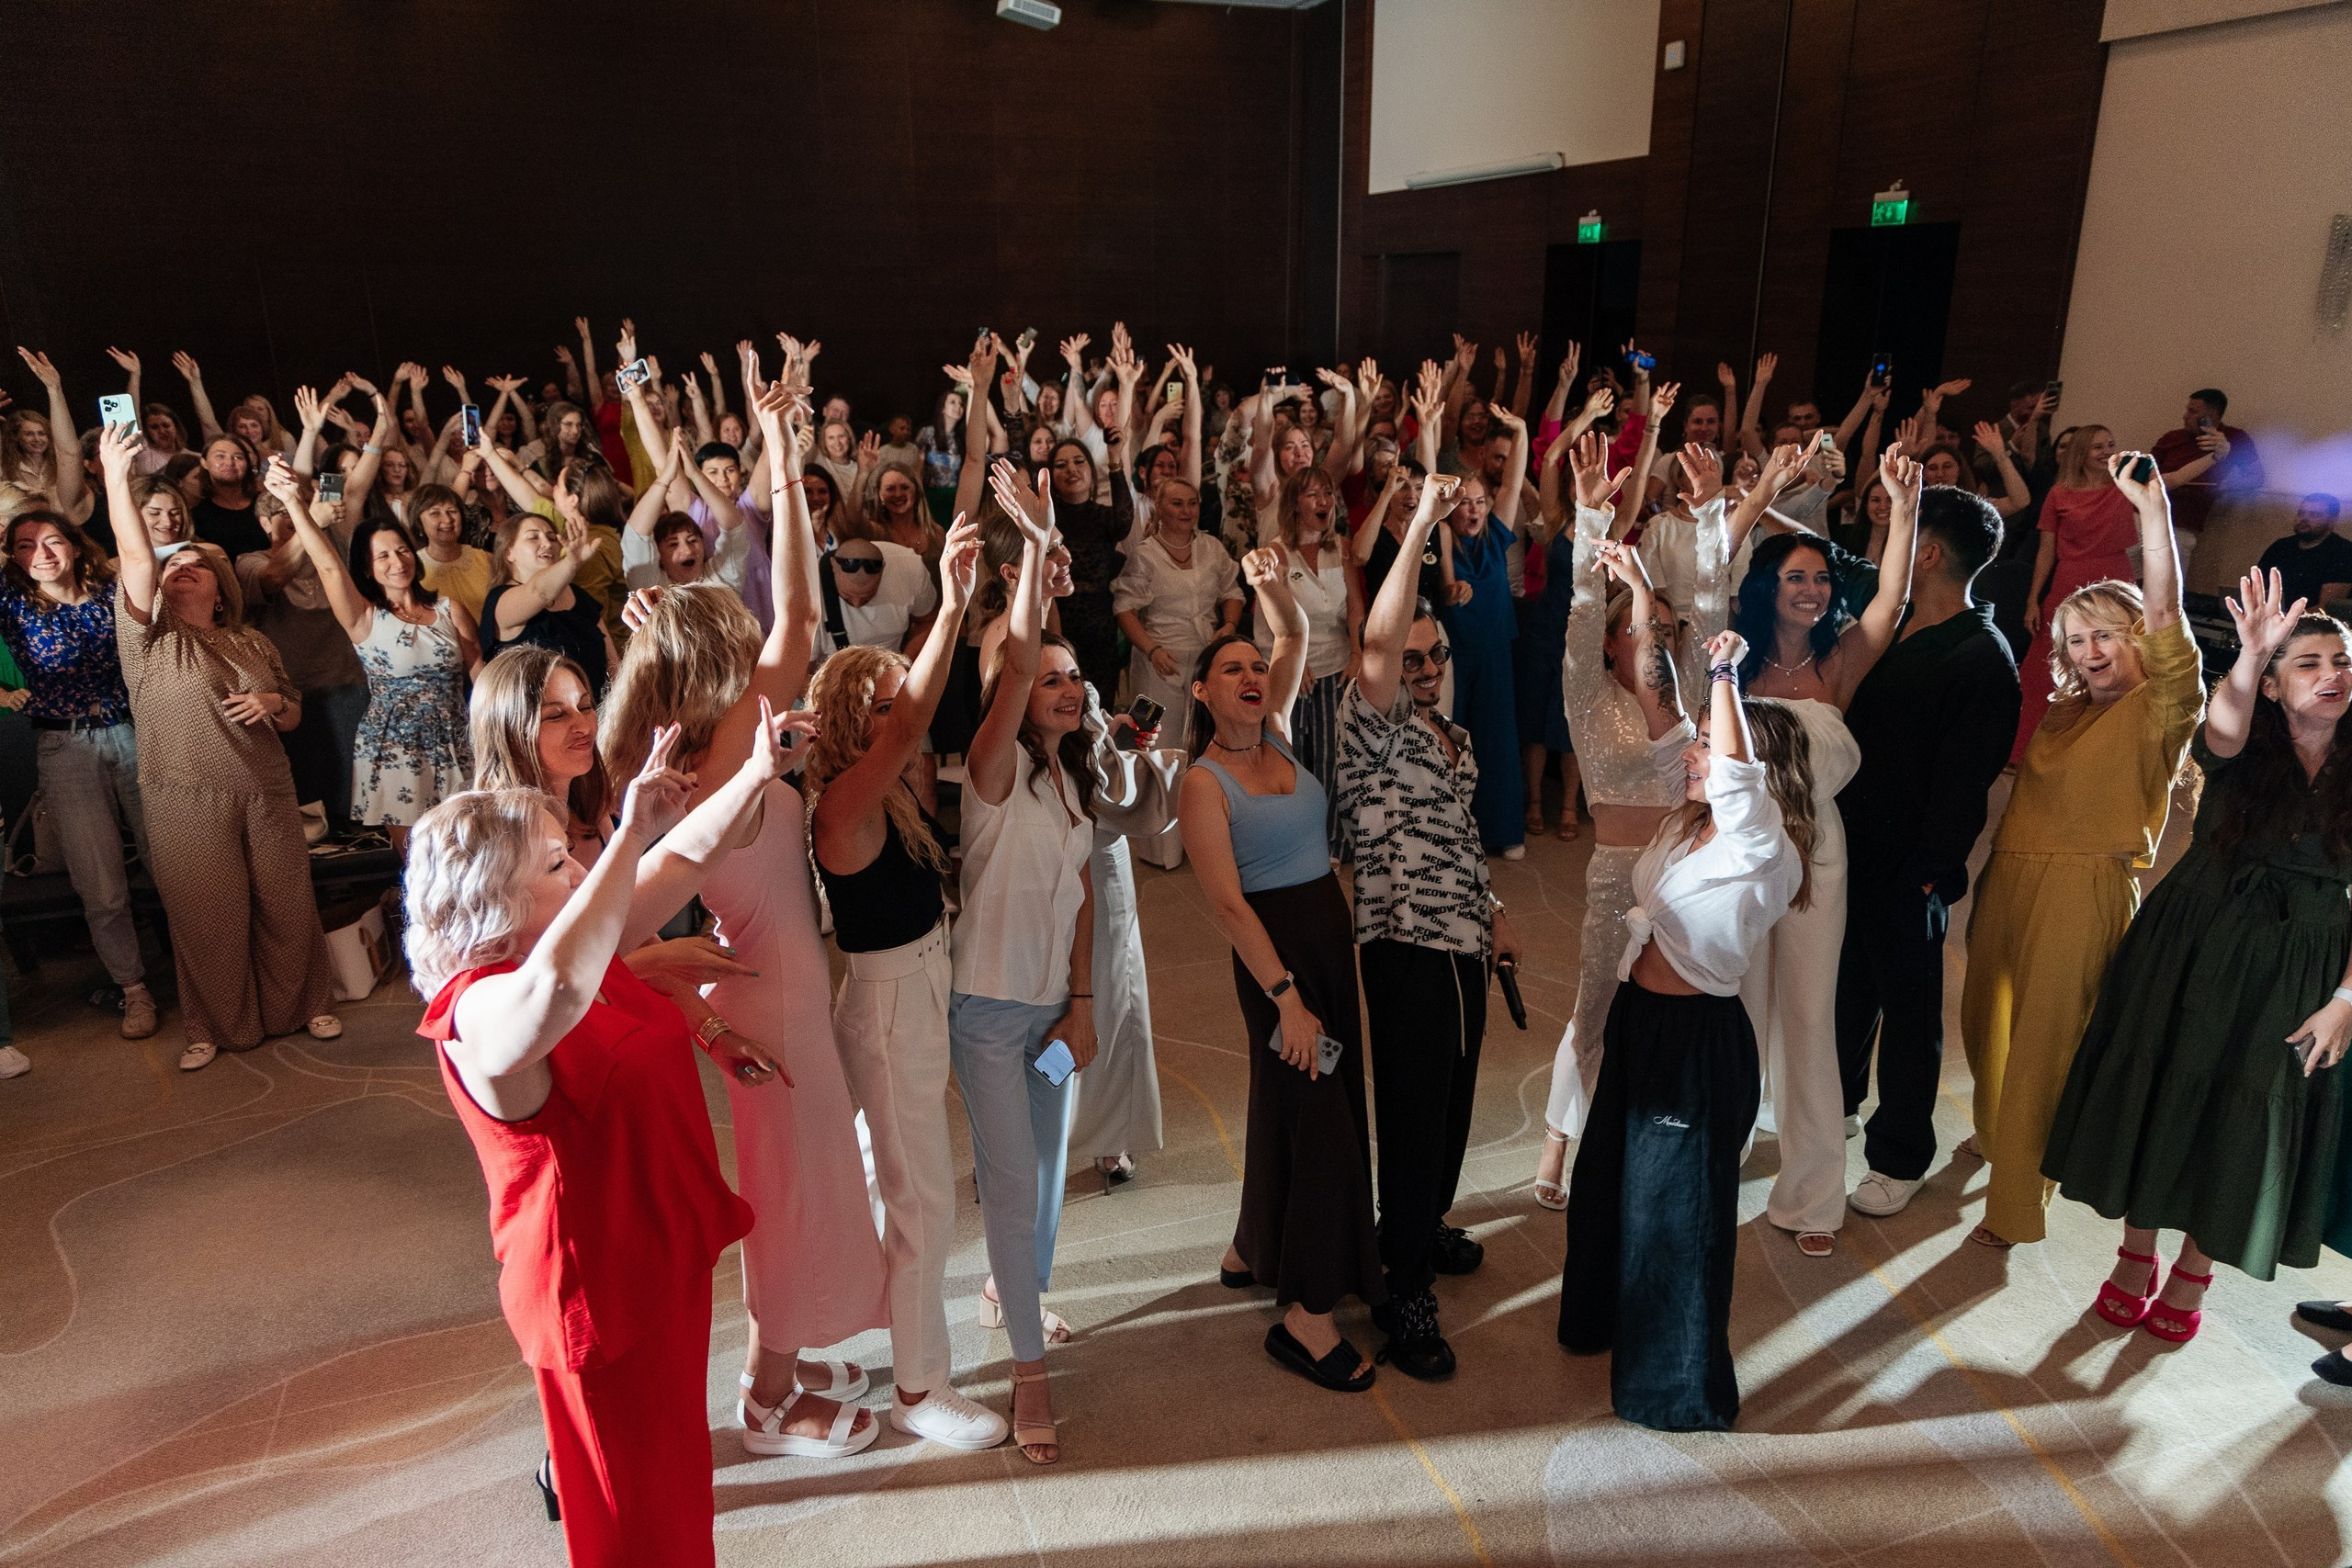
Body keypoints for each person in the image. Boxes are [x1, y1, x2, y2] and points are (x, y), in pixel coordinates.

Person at [405, 719, 797, 1568]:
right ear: (494, 896)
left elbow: (677, 864)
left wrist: (757, 772)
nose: (581, 871)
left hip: (656, 1252)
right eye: (556, 863)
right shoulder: (481, 1007)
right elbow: (556, 987)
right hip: (599, 1290)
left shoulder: (576, 950)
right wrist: (627, 836)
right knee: (634, 1519)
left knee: (676, 1490)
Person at [602, 387, 888, 1463]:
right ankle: (768, 1400)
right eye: (738, 626)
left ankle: (791, 1358)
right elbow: (803, 615)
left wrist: (777, 447)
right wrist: (775, 443)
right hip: (773, 999)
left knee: (803, 1190)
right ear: (716, 656)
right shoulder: (722, 752)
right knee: (791, 1200)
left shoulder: (692, 747)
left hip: (769, 992)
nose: (762, 634)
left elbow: (797, 616)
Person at [2043, 570, 2352, 1349]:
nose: (2331, 674)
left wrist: (2347, 999)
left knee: (2246, 1111)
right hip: (2195, 937)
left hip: (2300, 965)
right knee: (2163, 1083)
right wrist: (2249, 653)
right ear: (2274, 684)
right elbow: (2222, 729)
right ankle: (2134, 1255)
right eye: (2308, 662)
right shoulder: (2243, 736)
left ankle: (2194, 1270)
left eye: (2342, 661)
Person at [1558, 615, 1806, 1433]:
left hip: (1695, 1042)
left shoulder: (1761, 846)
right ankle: (1598, 1322)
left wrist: (1728, 678)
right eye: (1701, 742)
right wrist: (1635, 593)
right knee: (1606, 1185)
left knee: (1673, 1215)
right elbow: (1657, 710)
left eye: (1708, 743)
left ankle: (1677, 1391)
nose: (1694, 755)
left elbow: (1734, 775)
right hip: (1639, 1021)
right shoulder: (1686, 821)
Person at [805, 522, 1011, 1452]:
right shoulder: (845, 800)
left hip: (912, 992)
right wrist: (954, 601)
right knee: (922, 1199)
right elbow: (911, 721)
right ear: (855, 720)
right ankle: (921, 1389)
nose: (905, 717)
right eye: (885, 705)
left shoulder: (885, 792)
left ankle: (863, 1332)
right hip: (888, 1007)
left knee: (897, 1183)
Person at [1961, 454, 2201, 1247]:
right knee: (1985, 1022)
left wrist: (2153, 513)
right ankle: (1999, 1141)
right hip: (2010, 873)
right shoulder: (2064, 711)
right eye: (2076, 639)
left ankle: (2016, 1203)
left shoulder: (2160, 706)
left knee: (2043, 1048)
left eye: (2105, 634)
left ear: (2137, 637)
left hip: (2085, 887)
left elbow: (2168, 618)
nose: (2091, 649)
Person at [1183, 547, 1385, 1394]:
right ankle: (1307, 1313)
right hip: (1277, 966)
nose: (1251, 675)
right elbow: (1230, 908)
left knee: (1287, 1103)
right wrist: (1286, 999)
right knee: (1323, 1118)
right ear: (1202, 691)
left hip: (1327, 949)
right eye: (1232, 669)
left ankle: (1249, 1248)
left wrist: (1268, 587)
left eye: (1256, 666)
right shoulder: (1204, 783)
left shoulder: (1282, 733)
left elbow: (1296, 631)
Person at [1339, 472, 1522, 1377]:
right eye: (1407, 660)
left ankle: (1422, 1222)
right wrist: (1418, 523)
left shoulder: (1456, 738)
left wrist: (1493, 912)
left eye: (1433, 656)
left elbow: (1459, 837)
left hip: (1462, 943)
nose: (1421, 670)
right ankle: (1402, 1284)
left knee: (1452, 1099)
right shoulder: (1371, 726)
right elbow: (1380, 639)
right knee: (1414, 1115)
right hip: (1404, 945)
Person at [1726, 443, 1919, 1255]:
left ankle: (1811, 1193)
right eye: (1795, 577)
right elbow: (1710, 566)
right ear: (1767, 586)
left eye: (1820, 578)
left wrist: (1903, 508)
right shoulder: (1731, 657)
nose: (1811, 589)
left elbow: (1892, 600)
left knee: (1809, 1015)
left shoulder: (1837, 662)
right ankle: (1720, 1150)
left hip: (1817, 853)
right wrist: (1763, 490)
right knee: (1733, 1009)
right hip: (1736, 852)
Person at [99, 423, 339, 1072]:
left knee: (286, 904)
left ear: (219, 582)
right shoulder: (147, 639)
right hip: (184, 799)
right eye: (171, 566)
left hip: (266, 790)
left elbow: (292, 711)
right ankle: (214, 1025)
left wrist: (272, 703)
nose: (180, 569)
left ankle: (302, 1004)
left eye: (195, 564)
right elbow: (137, 559)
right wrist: (116, 476)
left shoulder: (252, 641)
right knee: (209, 917)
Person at [951, 465, 1102, 1464]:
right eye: (1051, 677)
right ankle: (1028, 1376)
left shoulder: (1067, 778)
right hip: (988, 1013)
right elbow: (1010, 673)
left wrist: (1081, 1004)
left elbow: (1083, 893)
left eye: (1073, 676)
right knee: (1010, 1184)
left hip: (1052, 1011)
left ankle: (1011, 1290)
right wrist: (1039, 552)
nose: (1066, 687)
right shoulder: (994, 767)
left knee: (1046, 1178)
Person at [1532, 428, 1716, 1207]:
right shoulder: (1588, 692)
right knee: (1595, 1008)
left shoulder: (1686, 694)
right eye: (1642, 628)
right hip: (1615, 876)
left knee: (1674, 1014)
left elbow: (1712, 602)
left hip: (1685, 873)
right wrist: (1588, 520)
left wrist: (1711, 515)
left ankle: (1651, 1143)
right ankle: (1557, 1140)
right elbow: (1581, 607)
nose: (1658, 640)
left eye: (1668, 633)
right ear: (1612, 642)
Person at [1836, 486, 2020, 1217]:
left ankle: (1901, 1154)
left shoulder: (1983, 656)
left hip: (1911, 865)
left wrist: (1928, 876)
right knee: (1849, 988)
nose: (1888, 550)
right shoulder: (1896, 618)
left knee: (1909, 1015)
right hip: (1851, 844)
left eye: (1902, 535)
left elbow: (1963, 787)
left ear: (1930, 553)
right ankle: (1839, 1102)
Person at [259, 459, 479, 845]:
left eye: (402, 550)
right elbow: (328, 567)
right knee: (418, 860)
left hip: (457, 741)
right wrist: (294, 502)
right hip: (395, 748)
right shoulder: (364, 618)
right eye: (383, 556)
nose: (397, 561)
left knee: (471, 851)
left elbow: (481, 674)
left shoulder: (450, 610)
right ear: (366, 568)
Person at [0, 509, 160, 1039]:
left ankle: (205, 969)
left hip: (134, 733)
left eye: (51, 541)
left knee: (173, 862)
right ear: (12, 556)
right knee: (101, 885)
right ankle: (133, 991)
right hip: (63, 745)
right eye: (25, 546)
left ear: (73, 544)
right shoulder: (11, 599)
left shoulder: (110, 588)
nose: (41, 555)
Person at [1439, 403, 1532, 858]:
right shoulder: (1441, 539)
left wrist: (1521, 429)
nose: (1473, 509)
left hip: (1494, 652)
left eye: (1479, 501)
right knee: (1452, 744)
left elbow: (1512, 482)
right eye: (1464, 502)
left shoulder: (1496, 534)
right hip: (1453, 657)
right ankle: (1450, 834)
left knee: (1496, 742)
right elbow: (1445, 586)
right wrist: (1452, 590)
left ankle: (1504, 831)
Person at [1254, 465, 1362, 854]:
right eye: (1313, 494)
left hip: (1337, 667)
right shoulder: (1276, 553)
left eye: (1328, 493)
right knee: (1292, 758)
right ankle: (1292, 844)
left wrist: (1357, 651)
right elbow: (1267, 623)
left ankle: (1331, 842)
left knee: (1334, 760)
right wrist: (1292, 665)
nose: (1323, 501)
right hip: (1294, 672)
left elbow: (1355, 606)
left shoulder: (1341, 548)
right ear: (1295, 504)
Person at [2015, 425, 2133, 761]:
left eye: (2110, 444)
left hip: (2115, 581)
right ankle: (2028, 747)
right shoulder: (2059, 494)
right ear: (2081, 451)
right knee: (2048, 664)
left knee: (2116, 661)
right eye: (2098, 446)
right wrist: (2033, 599)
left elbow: (2174, 480)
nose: (2106, 451)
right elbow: (2045, 551)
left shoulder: (2125, 485)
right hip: (2070, 583)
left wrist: (2216, 456)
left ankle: (2097, 751)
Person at [1112, 474, 1241, 757]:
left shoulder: (1212, 548)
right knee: (1152, 744)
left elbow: (1232, 592)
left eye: (1192, 503)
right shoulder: (1145, 554)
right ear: (1160, 507)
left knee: (1201, 740)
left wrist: (1230, 625)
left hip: (1204, 659)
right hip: (1159, 662)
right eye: (1177, 503)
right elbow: (1124, 609)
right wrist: (1152, 650)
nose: (1186, 511)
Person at [469, 647, 611, 860]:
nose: (584, 727)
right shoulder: (502, 837)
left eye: (584, 707)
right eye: (556, 715)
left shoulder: (592, 810)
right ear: (509, 734)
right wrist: (635, 834)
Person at [481, 511, 616, 699]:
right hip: (535, 714)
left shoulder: (578, 596)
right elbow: (540, 592)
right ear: (509, 553)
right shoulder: (500, 600)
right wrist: (572, 561)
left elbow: (613, 663)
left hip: (594, 711)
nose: (547, 543)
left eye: (552, 538)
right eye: (533, 537)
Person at [2151, 387, 2265, 552]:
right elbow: (2149, 472)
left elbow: (2256, 477)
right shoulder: (2172, 438)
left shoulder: (2233, 439)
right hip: (2149, 512)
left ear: (2211, 416)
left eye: (2192, 412)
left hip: (2181, 524)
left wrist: (2226, 486)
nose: (2185, 416)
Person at [2256, 494, 2352, 614]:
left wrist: (2285, 619)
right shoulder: (2281, 547)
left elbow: (2327, 608)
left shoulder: (2343, 552)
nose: (2304, 519)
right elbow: (2256, 590)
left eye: (2314, 515)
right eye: (2301, 513)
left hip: (2314, 623)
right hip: (2274, 618)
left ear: (2332, 520)